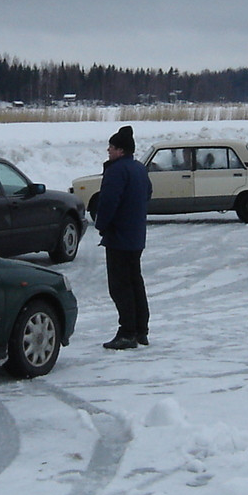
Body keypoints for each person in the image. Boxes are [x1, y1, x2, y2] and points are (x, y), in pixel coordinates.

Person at [94, 125, 151, 350]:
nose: (108, 150)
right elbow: (148, 193)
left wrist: (102, 224)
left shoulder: (116, 171)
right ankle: (140, 330)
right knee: (135, 281)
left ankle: (127, 332)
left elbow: (108, 202)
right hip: (136, 235)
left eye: (112, 146)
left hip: (119, 236)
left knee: (119, 286)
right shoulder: (139, 169)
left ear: (121, 150)